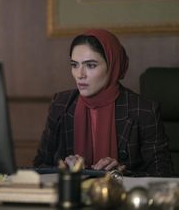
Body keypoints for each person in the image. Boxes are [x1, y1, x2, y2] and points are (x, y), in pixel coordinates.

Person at [33, 29, 173, 177]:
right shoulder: (61, 104)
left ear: (113, 66)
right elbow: (39, 166)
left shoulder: (143, 110)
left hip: (120, 198)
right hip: (73, 196)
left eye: (90, 65)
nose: (80, 75)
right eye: (74, 65)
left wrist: (121, 174)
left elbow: (163, 175)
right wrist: (63, 169)